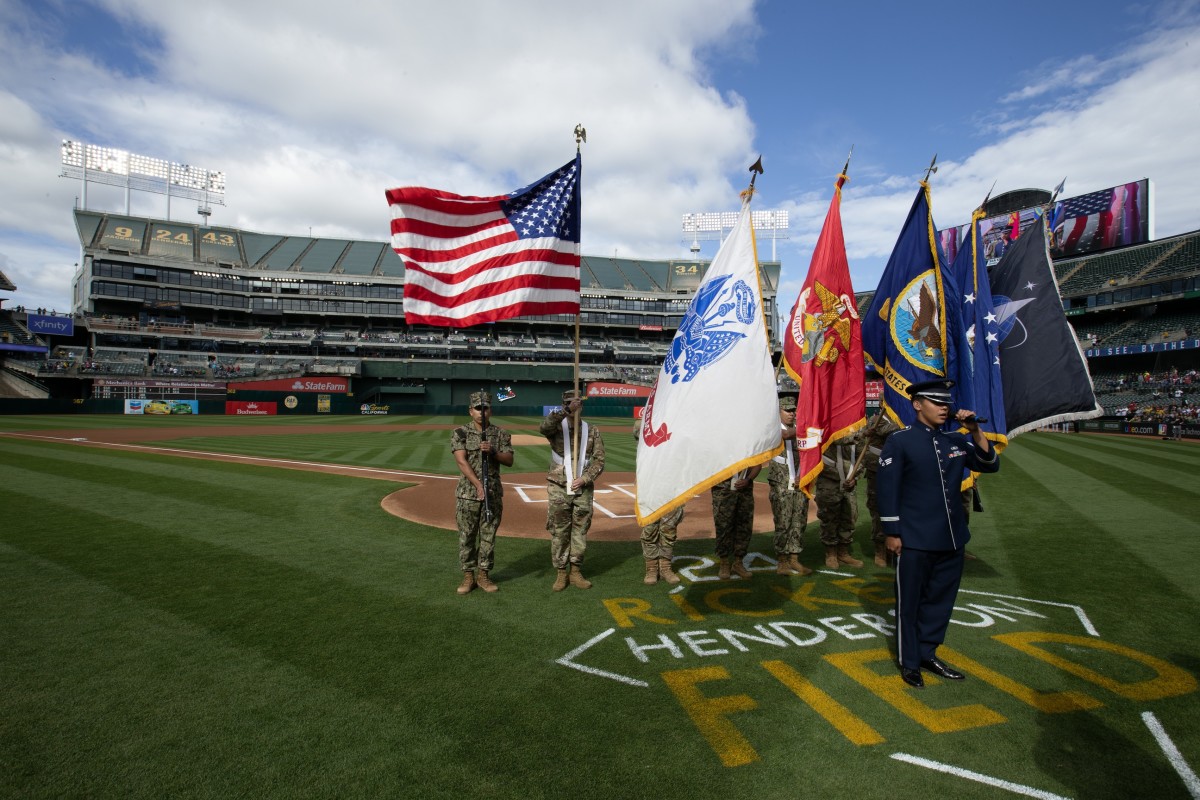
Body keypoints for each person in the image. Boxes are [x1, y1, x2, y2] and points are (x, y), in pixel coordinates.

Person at [878, 379, 1000, 689]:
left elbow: (990, 463)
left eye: (946, 402)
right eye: (936, 402)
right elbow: (888, 490)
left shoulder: (954, 441)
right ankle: (910, 663)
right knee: (910, 604)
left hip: (952, 538)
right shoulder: (900, 441)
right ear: (918, 404)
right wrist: (892, 532)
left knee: (940, 602)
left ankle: (928, 654)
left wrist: (973, 430)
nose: (944, 407)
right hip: (914, 539)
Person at [450, 391, 514, 595]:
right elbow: (461, 461)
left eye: (485, 408)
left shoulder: (501, 434)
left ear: (491, 410)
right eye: (478, 408)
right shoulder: (460, 433)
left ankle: (484, 575)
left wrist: (493, 452)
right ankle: (468, 576)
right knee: (467, 535)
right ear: (471, 411)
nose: (482, 412)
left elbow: (509, 460)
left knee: (488, 536)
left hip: (493, 493)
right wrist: (478, 485)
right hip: (468, 494)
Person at [541, 389, 605, 591]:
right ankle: (561, 573)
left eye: (576, 403)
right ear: (564, 405)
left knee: (580, 530)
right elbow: (544, 428)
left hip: (582, 488)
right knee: (560, 530)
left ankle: (576, 571)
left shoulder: (591, 430)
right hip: (559, 486)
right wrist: (567, 410)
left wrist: (586, 478)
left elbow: (599, 460)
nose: (574, 406)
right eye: (568, 403)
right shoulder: (556, 428)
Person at [635, 417, 682, 585]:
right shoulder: (648, 423)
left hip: (671, 489)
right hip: (650, 490)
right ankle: (651, 569)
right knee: (649, 531)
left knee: (669, 531)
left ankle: (666, 567)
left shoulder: (678, 426)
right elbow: (637, 431)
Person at [768, 392, 810, 575]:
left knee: (798, 521)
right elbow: (785, 435)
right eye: (787, 410)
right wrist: (807, 429)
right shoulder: (772, 428)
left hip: (800, 480)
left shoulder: (802, 428)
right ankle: (782, 560)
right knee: (783, 522)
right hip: (781, 481)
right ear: (779, 411)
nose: (791, 414)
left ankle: (794, 558)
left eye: (794, 410)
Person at [814, 429, 864, 569]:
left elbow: (862, 455)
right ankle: (830, 553)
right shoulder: (830, 425)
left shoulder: (857, 427)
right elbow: (836, 438)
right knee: (829, 517)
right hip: (830, 480)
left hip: (849, 482)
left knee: (850, 516)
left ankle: (843, 552)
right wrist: (860, 435)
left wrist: (855, 477)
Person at [863, 413, 903, 567]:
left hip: (898, 471)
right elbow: (886, 431)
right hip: (877, 471)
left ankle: (895, 550)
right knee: (879, 510)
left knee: (898, 509)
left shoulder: (897, 417)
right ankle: (880, 549)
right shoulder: (876, 420)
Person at [712, 462, 761, 580]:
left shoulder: (748, 445)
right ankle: (724, 563)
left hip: (745, 491)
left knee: (744, 526)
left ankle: (738, 563)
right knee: (723, 526)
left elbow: (757, 465)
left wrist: (748, 480)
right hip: (723, 490)